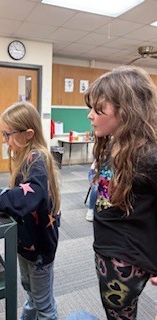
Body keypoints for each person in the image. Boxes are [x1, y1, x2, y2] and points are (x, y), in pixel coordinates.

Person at [0, 101, 61, 320]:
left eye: (8, 134)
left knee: (44, 305)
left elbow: (28, 196)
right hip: (27, 244)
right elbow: (20, 191)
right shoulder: (26, 158)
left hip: (39, 249)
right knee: (32, 292)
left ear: (28, 134)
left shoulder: (38, 158)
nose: (4, 140)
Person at [84, 65, 157, 319]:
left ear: (125, 110)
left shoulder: (149, 157)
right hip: (107, 244)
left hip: (127, 257)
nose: (90, 116)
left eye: (97, 108)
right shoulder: (112, 143)